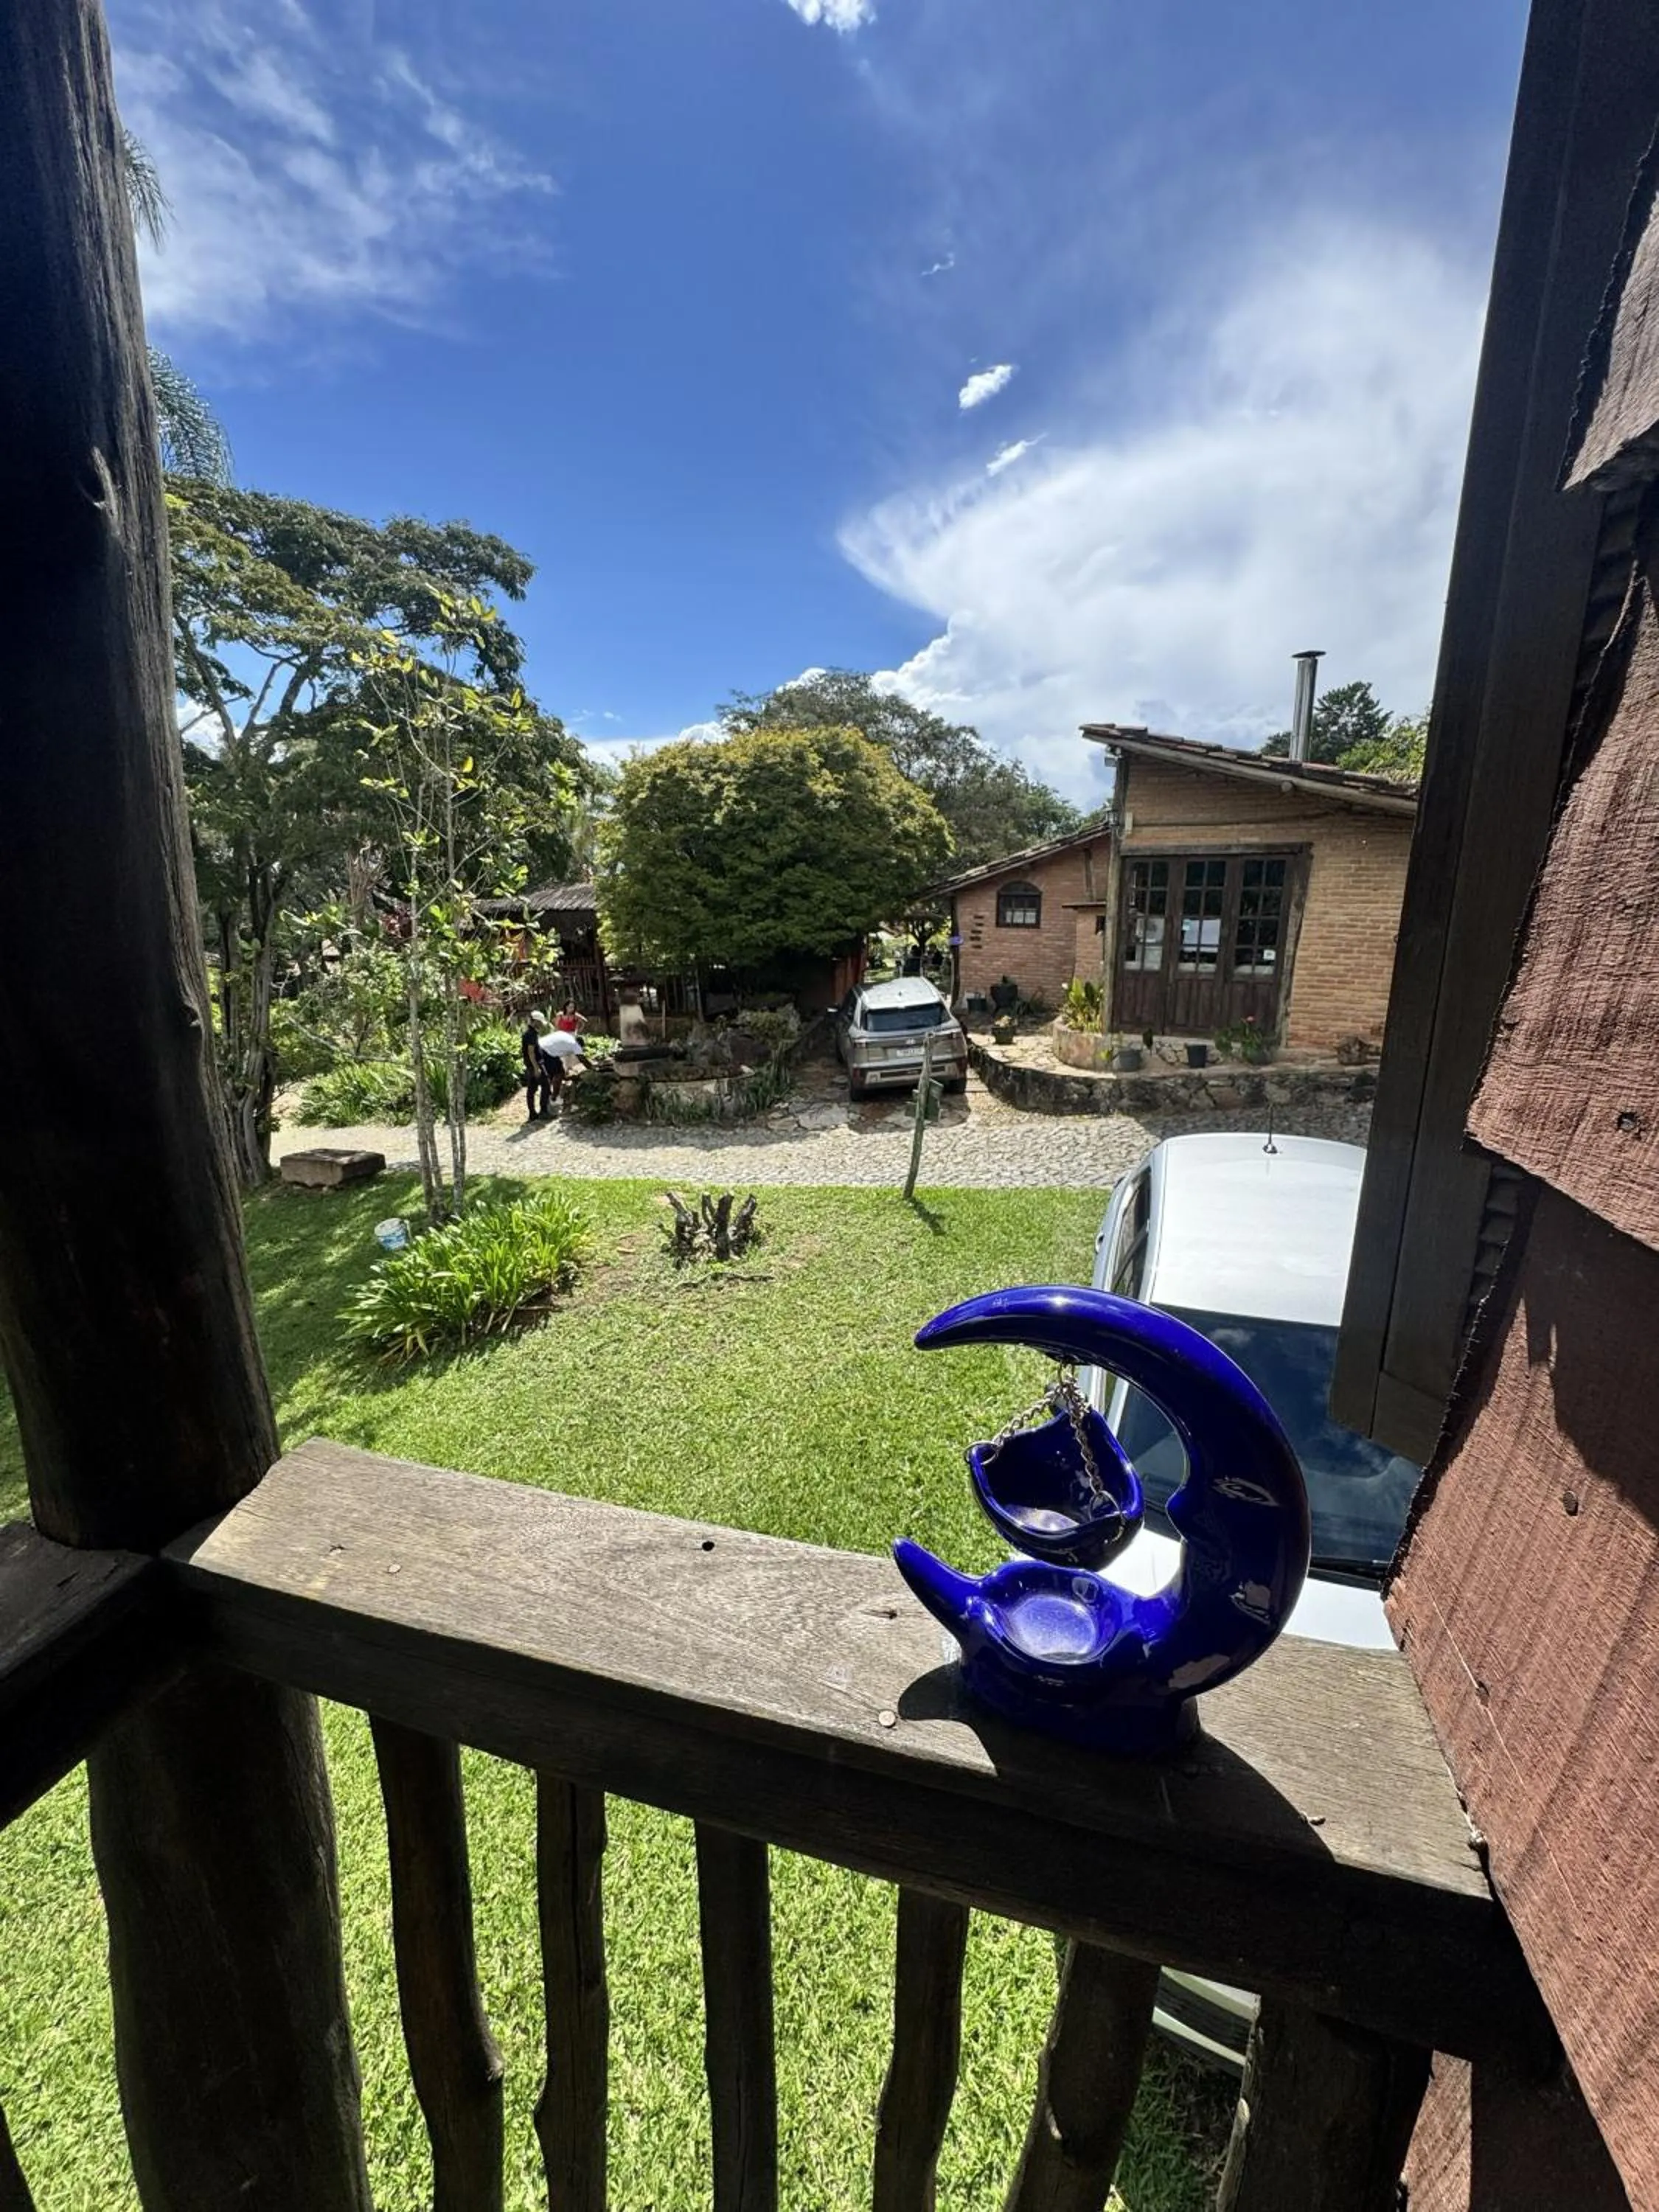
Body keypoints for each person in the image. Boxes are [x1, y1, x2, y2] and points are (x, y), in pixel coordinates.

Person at [538, 1015, 588, 1105]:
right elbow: (582, 1059)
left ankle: (547, 1098)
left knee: (553, 1073)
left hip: (541, 1048)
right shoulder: (574, 1044)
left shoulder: (567, 1038)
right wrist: (592, 1068)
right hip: (546, 1051)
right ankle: (554, 1098)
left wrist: (567, 1077)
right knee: (558, 1073)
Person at [521, 1008, 553, 1121]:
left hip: (530, 1065)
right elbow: (531, 1052)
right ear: (535, 1021)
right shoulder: (531, 1035)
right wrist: (536, 1068)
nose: (541, 1025)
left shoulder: (529, 1033)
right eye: (539, 1023)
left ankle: (532, 1114)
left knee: (532, 1089)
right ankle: (543, 1111)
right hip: (535, 1064)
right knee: (546, 1085)